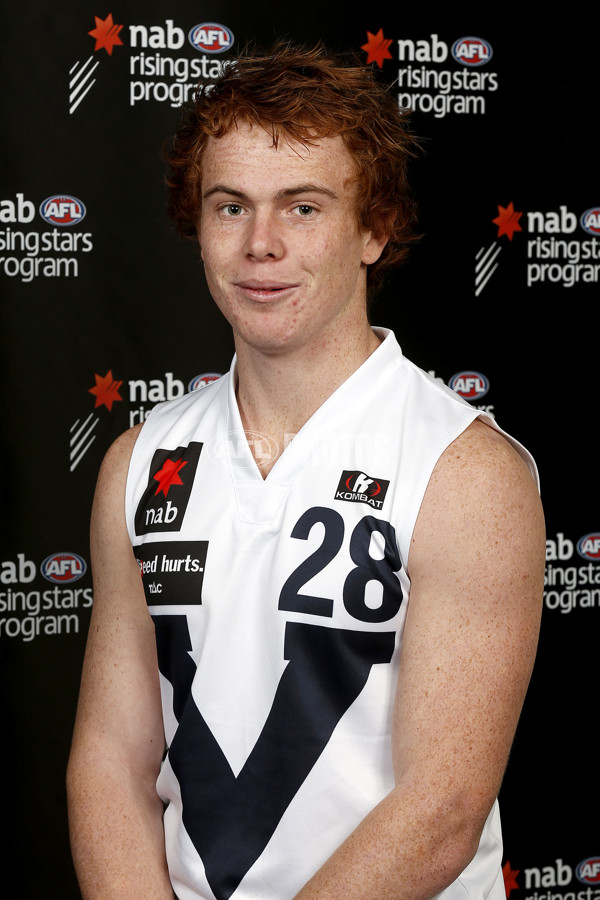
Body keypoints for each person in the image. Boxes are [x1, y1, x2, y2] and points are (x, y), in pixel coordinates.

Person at [66, 42, 546, 900]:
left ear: (373, 228)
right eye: (230, 206)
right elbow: (111, 760)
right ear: (196, 222)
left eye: (303, 208)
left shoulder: (467, 473)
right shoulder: (138, 464)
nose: (261, 245)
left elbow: (443, 808)